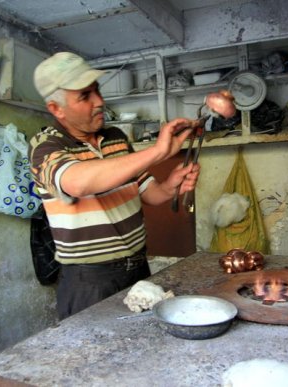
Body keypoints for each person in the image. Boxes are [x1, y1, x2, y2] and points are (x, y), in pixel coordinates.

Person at [29, 52, 200, 320]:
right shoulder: (46, 146)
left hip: (138, 268)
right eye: (85, 96)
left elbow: (149, 193)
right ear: (56, 108)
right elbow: (79, 182)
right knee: (93, 358)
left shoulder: (116, 138)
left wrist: (170, 186)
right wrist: (158, 152)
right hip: (90, 281)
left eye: (97, 91)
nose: (99, 102)